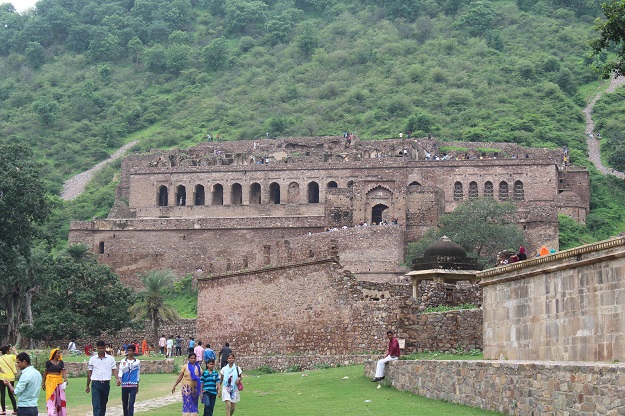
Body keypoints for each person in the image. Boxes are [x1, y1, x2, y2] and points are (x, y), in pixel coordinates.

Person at [86, 340, 120, 416]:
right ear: (97, 348)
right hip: (95, 384)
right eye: (100, 348)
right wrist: (87, 385)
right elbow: (89, 373)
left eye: (103, 348)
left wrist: (117, 379)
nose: (101, 350)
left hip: (105, 384)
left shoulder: (110, 358)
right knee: (96, 405)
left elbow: (114, 369)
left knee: (103, 404)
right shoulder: (93, 359)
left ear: (105, 348)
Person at [2, 352, 42, 416]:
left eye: (18, 362)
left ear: (24, 362)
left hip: (24, 408)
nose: (17, 365)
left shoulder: (25, 375)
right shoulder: (37, 373)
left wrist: (8, 384)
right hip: (34, 408)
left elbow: (15, 392)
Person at [43, 348, 68, 416]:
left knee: (60, 398)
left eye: (59, 353)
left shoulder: (61, 362)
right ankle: (52, 413)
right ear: (53, 354)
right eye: (57, 353)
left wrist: (65, 379)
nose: (59, 355)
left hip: (59, 382)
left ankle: (60, 413)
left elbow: (63, 371)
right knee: (51, 398)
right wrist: (43, 383)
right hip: (50, 382)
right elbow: (45, 372)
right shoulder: (48, 362)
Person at [119, 344, 140, 416]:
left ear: (134, 351)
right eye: (128, 351)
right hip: (124, 385)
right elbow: (120, 371)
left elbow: (138, 374)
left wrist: (137, 385)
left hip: (133, 385)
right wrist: (119, 379)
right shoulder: (123, 361)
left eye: (131, 351)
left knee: (131, 404)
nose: (129, 352)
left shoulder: (137, 362)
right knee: (125, 404)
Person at [0, 345, 18, 415]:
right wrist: (15, 351)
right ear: (7, 351)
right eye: (10, 350)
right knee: (11, 394)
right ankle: (15, 409)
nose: (10, 351)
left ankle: (3, 411)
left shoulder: (0, 358)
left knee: (2, 394)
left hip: (2, 378)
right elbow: (19, 358)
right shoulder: (12, 356)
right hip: (11, 377)